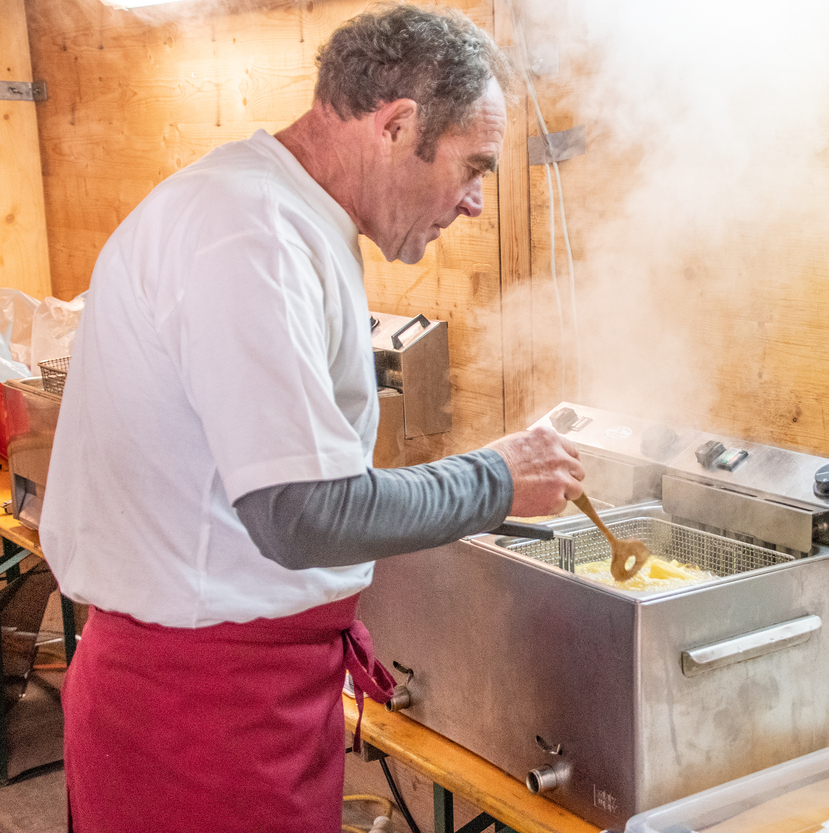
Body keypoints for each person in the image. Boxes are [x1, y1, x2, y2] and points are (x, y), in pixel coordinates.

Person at [39, 5, 584, 831]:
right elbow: (301, 512)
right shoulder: (251, 231)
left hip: (248, 691)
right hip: (198, 715)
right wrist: (495, 479)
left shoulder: (279, 212)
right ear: (397, 126)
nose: (476, 202)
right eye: (474, 167)